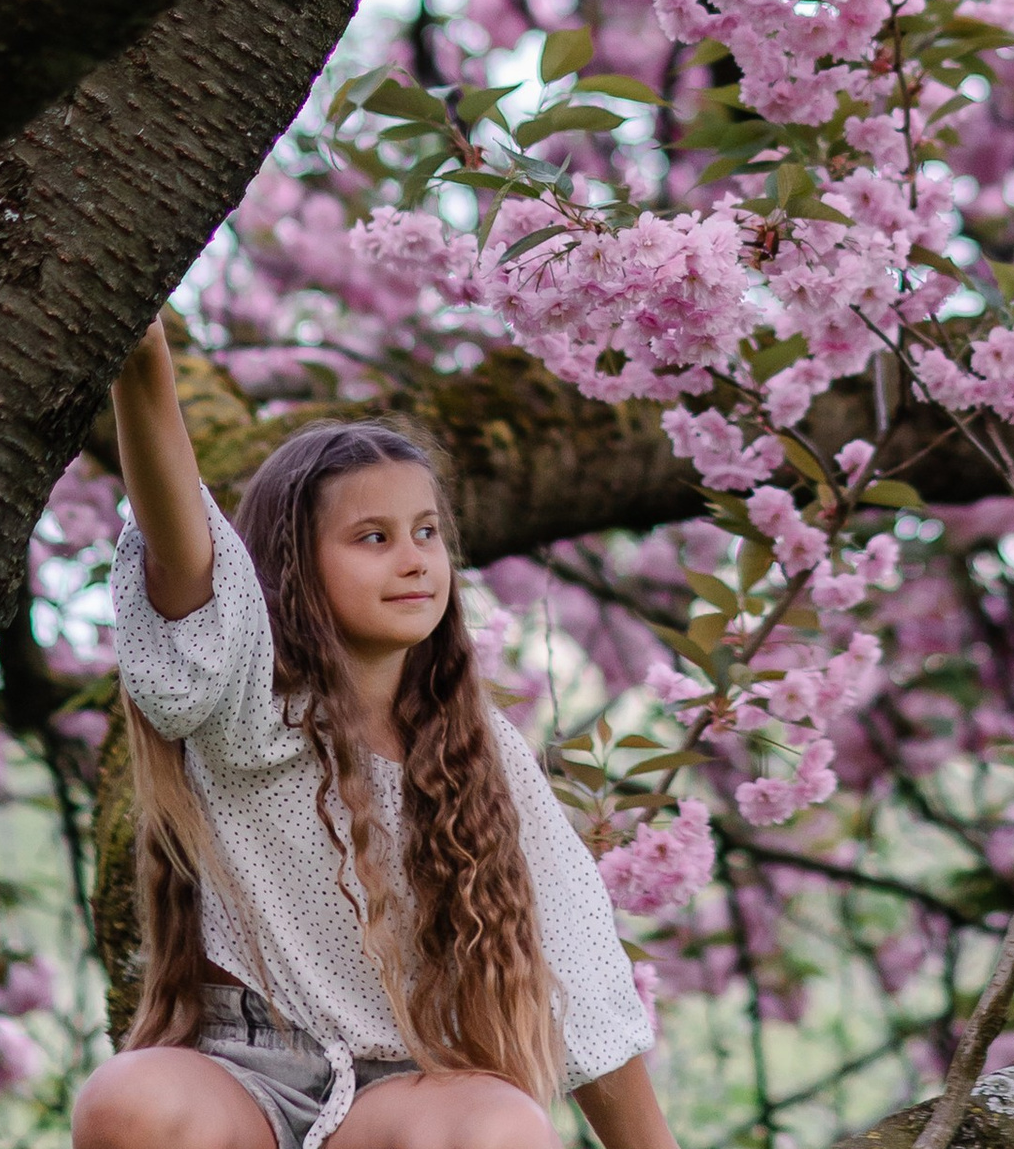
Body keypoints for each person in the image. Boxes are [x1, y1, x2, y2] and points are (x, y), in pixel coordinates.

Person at [72, 325, 684, 1149]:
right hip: (237, 1077)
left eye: (427, 533)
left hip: (397, 1092)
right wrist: (141, 361)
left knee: (503, 1126)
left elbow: (580, 973)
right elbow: (186, 557)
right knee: (129, 1100)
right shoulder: (248, 704)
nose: (414, 560)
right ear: (290, 565)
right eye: (373, 538)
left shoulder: (483, 753)